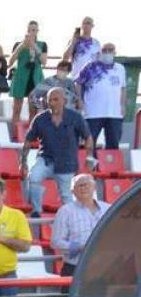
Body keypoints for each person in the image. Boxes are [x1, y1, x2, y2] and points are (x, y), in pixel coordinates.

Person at [21, 87, 93, 215]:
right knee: (34, 177)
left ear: (64, 101)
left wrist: (89, 157)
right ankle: (36, 209)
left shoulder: (75, 117)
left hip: (67, 162)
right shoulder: (40, 119)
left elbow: (88, 137)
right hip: (45, 159)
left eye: (55, 99)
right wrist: (23, 162)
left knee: (66, 195)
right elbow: (27, 141)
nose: (52, 103)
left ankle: (71, 218)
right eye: (50, 100)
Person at [52, 174, 108, 277]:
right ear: (72, 191)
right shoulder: (65, 211)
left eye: (86, 184)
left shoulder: (108, 208)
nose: (83, 188)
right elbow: (56, 242)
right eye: (79, 186)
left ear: (94, 187)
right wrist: (79, 247)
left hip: (105, 266)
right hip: (75, 267)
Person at [78, 43, 127, 150]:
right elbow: (79, 83)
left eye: (111, 50)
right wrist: (80, 100)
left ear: (115, 52)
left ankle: (111, 166)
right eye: (105, 50)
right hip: (93, 112)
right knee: (90, 142)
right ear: (100, 52)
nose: (108, 52)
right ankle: (91, 165)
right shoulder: (90, 66)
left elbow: (123, 88)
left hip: (114, 113)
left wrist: (122, 105)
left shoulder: (120, 68)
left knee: (113, 143)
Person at [7, 21, 47, 130]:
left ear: (37, 31)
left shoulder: (42, 44)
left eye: (34, 30)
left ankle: (32, 132)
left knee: (33, 109)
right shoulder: (19, 44)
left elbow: (44, 61)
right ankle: (14, 132)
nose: (32, 32)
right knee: (16, 108)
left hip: (35, 77)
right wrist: (21, 46)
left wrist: (34, 46)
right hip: (21, 77)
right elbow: (10, 62)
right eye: (30, 30)